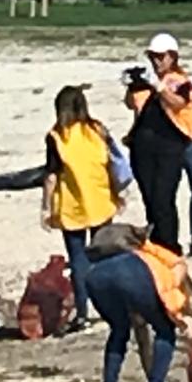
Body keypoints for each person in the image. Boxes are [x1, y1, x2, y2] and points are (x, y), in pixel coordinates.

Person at [85, 225, 192, 382]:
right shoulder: (159, 258)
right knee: (165, 330)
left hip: (96, 277)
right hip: (135, 274)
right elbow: (171, 283)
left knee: (118, 331)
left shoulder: (107, 253)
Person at [41, 85, 121, 330]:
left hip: (72, 204)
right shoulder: (97, 130)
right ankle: (112, 308)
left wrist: (45, 208)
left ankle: (83, 314)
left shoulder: (56, 136)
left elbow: (52, 176)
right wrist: (117, 193)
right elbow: (111, 165)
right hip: (101, 199)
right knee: (104, 256)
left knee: (78, 260)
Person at [124, 33, 192, 256]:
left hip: (169, 147)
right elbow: (131, 105)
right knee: (149, 200)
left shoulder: (181, 81)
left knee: (163, 199)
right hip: (142, 147)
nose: (157, 61)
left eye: (161, 56)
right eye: (153, 56)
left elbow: (179, 102)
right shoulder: (145, 82)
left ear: (172, 57)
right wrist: (132, 84)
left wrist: (159, 87)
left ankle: (170, 248)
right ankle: (156, 247)